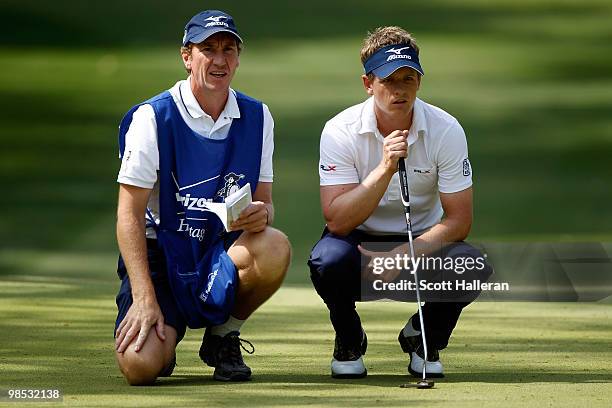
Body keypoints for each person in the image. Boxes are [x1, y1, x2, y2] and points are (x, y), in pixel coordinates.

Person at [113, 10, 290, 385]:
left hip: (217, 253)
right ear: (187, 56)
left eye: (229, 49)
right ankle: (165, 335)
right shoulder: (152, 117)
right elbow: (128, 215)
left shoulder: (258, 116)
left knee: (274, 246)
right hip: (160, 256)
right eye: (208, 49)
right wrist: (144, 297)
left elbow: (266, 201)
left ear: (238, 58)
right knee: (140, 367)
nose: (220, 59)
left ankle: (223, 337)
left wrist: (262, 214)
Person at [308, 26, 491, 378]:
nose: (400, 89)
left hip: (422, 240)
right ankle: (349, 337)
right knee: (326, 261)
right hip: (356, 242)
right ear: (367, 84)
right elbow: (337, 220)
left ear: (419, 83)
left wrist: (403, 255)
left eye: (408, 79)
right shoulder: (339, 130)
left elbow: (459, 221)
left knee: (471, 264)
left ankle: (424, 337)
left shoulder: (446, 129)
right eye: (389, 80)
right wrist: (385, 168)